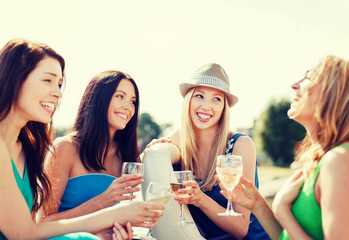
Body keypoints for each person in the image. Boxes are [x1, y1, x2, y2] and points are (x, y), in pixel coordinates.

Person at [0, 38, 164, 240]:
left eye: (133, 101)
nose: (58, 93)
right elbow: (31, 229)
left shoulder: (28, 148)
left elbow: (29, 226)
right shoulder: (65, 148)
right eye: (47, 80)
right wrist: (107, 209)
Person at [217, 55, 349, 240]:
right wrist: (258, 205)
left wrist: (281, 209)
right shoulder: (322, 160)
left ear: (335, 93)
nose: (295, 85)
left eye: (310, 77)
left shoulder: (339, 160)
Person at [142, 63, 268, 239]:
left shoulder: (240, 144)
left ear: (224, 107)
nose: (206, 106)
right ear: (189, 101)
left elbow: (241, 229)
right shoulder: (177, 140)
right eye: (199, 96)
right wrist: (155, 150)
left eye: (216, 99)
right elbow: (149, 170)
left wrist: (200, 199)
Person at [41, 70, 144, 224]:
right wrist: (102, 201)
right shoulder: (65, 148)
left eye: (133, 101)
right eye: (120, 96)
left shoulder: (127, 157)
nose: (128, 107)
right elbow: (43, 223)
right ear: (99, 99)